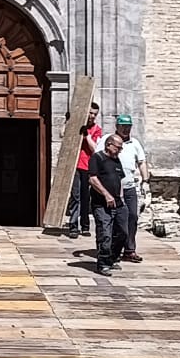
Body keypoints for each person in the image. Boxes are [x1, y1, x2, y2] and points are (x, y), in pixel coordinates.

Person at [87, 132, 128, 276]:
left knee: (123, 233)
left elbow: (119, 179)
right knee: (105, 233)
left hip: (118, 203)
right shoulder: (97, 158)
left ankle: (112, 258)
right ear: (109, 145)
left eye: (121, 148)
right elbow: (93, 179)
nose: (120, 150)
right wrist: (106, 194)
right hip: (101, 204)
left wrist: (121, 196)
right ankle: (103, 263)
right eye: (118, 147)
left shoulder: (116, 160)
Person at [115, 113, 149, 262]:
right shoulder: (109, 140)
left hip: (130, 186)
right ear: (117, 126)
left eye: (128, 127)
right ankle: (113, 250)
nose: (126, 129)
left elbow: (141, 162)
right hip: (113, 188)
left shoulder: (134, 143)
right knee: (116, 219)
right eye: (123, 126)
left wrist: (145, 181)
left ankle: (129, 250)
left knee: (133, 216)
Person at [64, 102, 102, 236]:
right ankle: (73, 226)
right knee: (76, 196)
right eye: (90, 113)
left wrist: (87, 136)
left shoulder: (97, 129)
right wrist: (67, 123)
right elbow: (62, 135)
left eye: (95, 114)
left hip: (88, 166)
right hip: (75, 165)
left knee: (86, 196)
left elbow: (95, 148)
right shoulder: (76, 125)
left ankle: (85, 225)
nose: (92, 116)